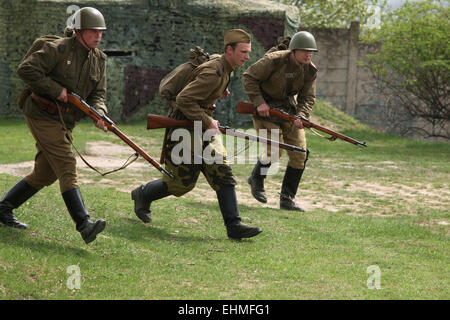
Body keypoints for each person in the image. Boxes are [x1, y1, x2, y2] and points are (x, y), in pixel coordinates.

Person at [131, 29, 262, 240]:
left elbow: (199, 91)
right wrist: (208, 120)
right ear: (229, 50)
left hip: (201, 129)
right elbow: (184, 100)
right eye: (243, 52)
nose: (247, 57)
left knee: (222, 171)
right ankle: (142, 194)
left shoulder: (225, 67)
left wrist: (216, 92)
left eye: (248, 52)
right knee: (181, 183)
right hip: (184, 129)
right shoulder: (214, 72)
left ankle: (234, 226)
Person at [0, 7, 109, 244]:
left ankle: (3, 208)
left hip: (65, 121)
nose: (98, 36)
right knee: (66, 163)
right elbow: (26, 69)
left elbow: (98, 94)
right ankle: (84, 224)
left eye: (100, 31)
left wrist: (98, 113)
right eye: (93, 31)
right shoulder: (57, 49)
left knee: (45, 173)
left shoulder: (99, 60)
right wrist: (56, 90)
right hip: (41, 113)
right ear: (79, 31)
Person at [242, 31, 318, 212]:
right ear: (293, 50)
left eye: (311, 51)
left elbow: (307, 97)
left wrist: (302, 115)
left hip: (289, 111)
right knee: (274, 151)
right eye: (304, 50)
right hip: (265, 111)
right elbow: (249, 77)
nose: (308, 54)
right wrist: (259, 102)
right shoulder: (274, 60)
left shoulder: (310, 70)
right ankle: (257, 178)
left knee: (300, 154)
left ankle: (287, 199)